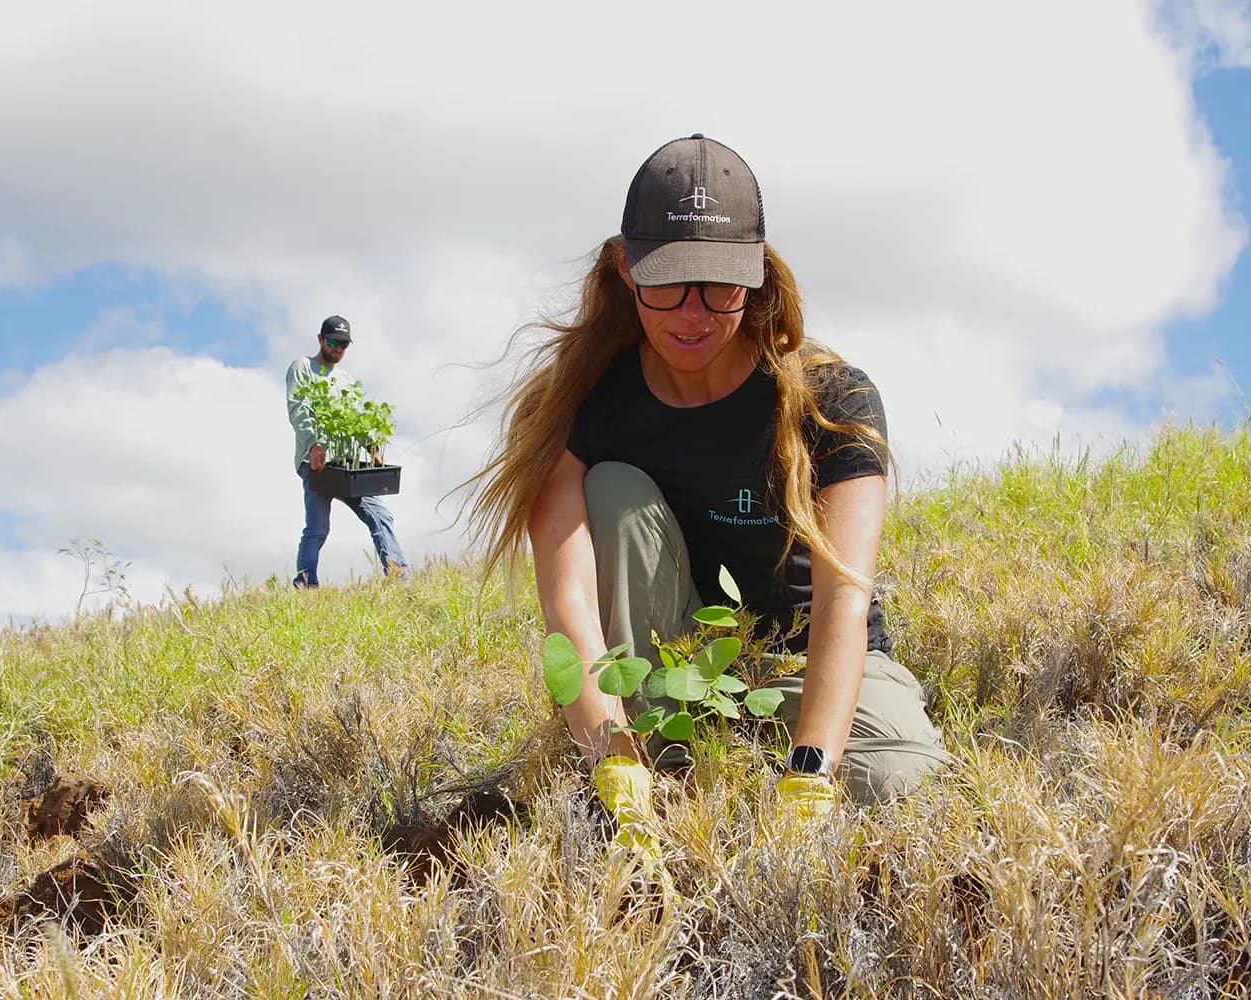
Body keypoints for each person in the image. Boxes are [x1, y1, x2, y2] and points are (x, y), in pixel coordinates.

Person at [465, 134, 948, 850]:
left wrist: (811, 772)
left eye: (719, 286)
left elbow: (845, 595)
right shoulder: (584, 408)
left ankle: (765, 759)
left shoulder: (832, 398)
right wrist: (614, 766)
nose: (692, 314)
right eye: (667, 283)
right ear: (625, 270)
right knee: (615, 492)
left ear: (756, 274)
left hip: (800, 662)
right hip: (673, 677)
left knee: (899, 778)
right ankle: (644, 757)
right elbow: (567, 604)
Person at [286, 315, 409, 587]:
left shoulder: (345, 379)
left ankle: (399, 579)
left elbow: (356, 419)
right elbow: (298, 410)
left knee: (380, 515)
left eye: (344, 345)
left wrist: (372, 448)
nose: (338, 349)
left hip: (348, 465)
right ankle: (306, 586)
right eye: (333, 342)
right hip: (316, 464)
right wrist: (314, 444)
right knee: (317, 529)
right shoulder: (302, 367)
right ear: (320, 339)